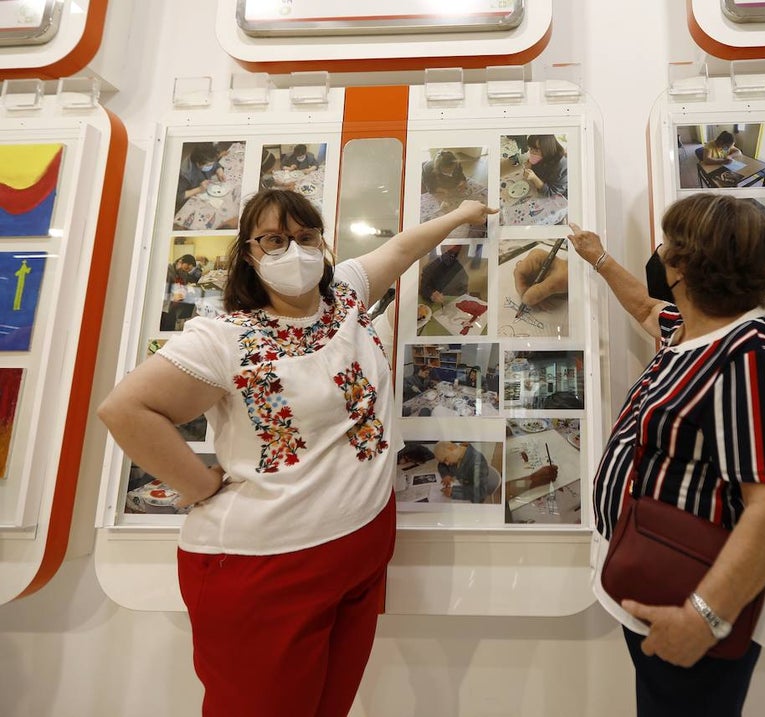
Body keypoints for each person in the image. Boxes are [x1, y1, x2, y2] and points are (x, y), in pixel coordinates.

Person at [97, 188, 496, 715]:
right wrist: (200, 485)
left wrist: (463, 213)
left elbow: (402, 248)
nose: (294, 251)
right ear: (248, 253)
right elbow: (125, 409)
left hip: (360, 550)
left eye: (306, 238)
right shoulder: (223, 338)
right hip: (268, 571)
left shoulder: (346, 294)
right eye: (273, 239)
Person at [567, 193, 765, 716]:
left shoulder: (752, 354)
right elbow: (645, 306)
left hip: (692, 601)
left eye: (667, 243)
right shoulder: (693, 327)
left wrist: (705, 618)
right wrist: (597, 256)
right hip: (652, 578)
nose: (660, 252)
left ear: (685, 265)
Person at [435, 441, 501, 503]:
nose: (447, 463)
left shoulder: (478, 461)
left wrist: (454, 492)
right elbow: (441, 465)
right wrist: (446, 475)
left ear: (451, 448)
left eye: (446, 459)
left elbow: (481, 492)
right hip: (463, 486)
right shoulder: (456, 455)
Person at [176, 143, 226, 212]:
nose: (211, 166)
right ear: (198, 163)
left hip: (203, 185)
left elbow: (215, 164)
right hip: (189, 197)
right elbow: (178, 197)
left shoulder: (207, 159)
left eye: (212, 164)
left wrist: (219, 171)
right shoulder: (185, 173)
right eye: (209, 165)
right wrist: (199, 189)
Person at [160, 254, 203, 331]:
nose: (186, 271)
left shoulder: (182, 272)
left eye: (188, 270)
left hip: (173, 305)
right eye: (186, 268)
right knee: (165, 326)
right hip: (165, 307)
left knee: (171, 325)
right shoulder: (167, 271)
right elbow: (161, 292)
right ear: (180, 262)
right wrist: (173, 296)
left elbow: (184, 283)